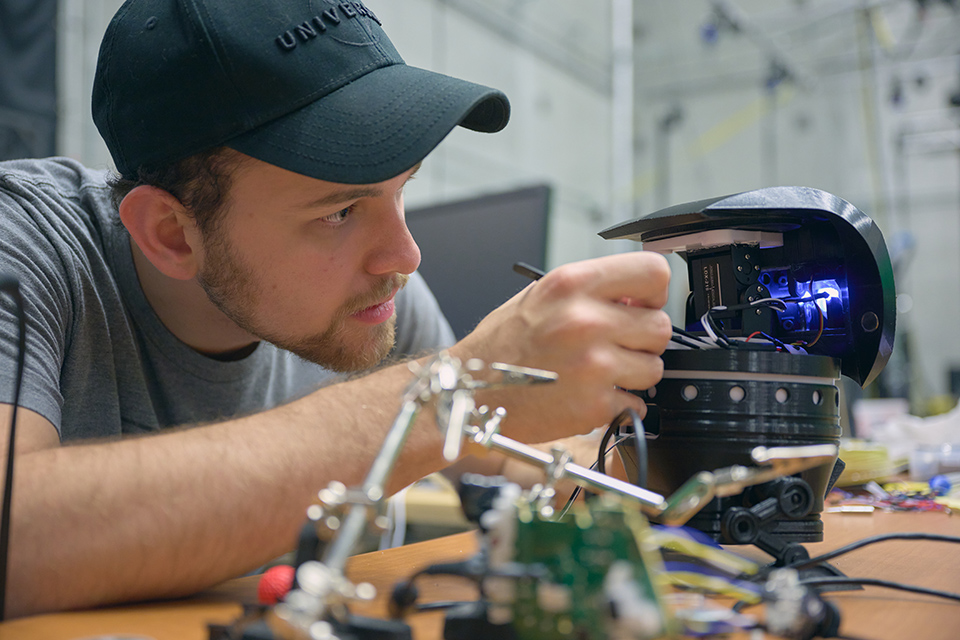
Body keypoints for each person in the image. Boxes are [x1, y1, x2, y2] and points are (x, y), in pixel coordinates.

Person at [0, 0, 671, 619]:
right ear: (173, 233)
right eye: (341, 210)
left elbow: (528, 463)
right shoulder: (27, 246)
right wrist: (441, 396)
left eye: (401, 189)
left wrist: (675, 449)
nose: (405, 257)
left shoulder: (373, 304)